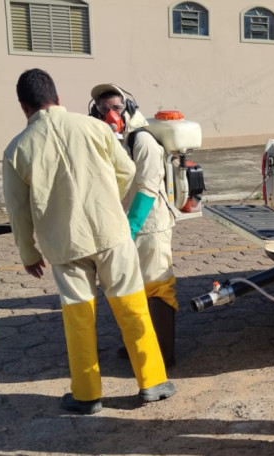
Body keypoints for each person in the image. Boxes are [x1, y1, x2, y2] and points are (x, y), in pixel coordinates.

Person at [2, 69, 175, 415]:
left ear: (23, 106)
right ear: (58, 97)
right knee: (131, 306)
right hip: (112, 235)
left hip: (64, 245)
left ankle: (86, 395)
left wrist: (28, 253)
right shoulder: (94, 128)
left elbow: (18, 212)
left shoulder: (16, 150)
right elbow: (126, 172)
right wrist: (106, 201)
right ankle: (152, 382)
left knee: (78, 317)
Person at [90, 83, 178, 368]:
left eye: (115, 108)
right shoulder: (111, 141)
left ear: (128, 110)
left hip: (150, 225)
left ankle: (163, 355)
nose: (109, 115)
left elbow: (148, 187)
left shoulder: (143, 141)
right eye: (103, 110)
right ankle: (139, 347)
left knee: (157, 286)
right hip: (127, 224)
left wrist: (131, 228)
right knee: (133, 287)